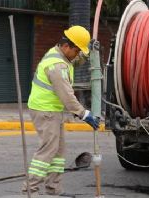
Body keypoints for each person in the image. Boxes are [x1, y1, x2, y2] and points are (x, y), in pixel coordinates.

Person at [22, 25, 99, 197]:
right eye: (77, 50)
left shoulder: (60, 54)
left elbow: (75, 60)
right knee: (47, 151)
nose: (77, 54)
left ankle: (53, 189)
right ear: (66, 46)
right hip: (45, 111)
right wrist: (84, 113)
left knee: (58, 152)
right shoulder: (57, 66)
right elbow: (67, 96)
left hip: (52, 110)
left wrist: (88, 52)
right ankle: (30, 190)